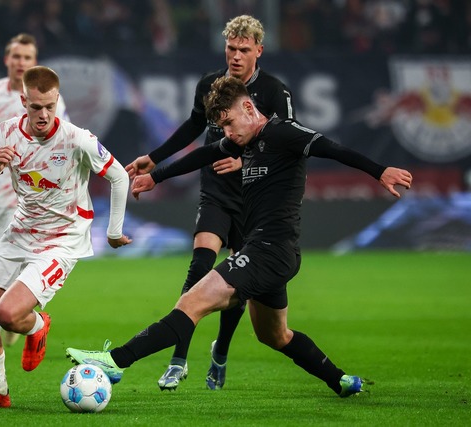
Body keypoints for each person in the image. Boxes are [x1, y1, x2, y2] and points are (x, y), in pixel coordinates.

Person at [66, 75, 413, 398]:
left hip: (270, 250)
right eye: (222, 127)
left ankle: (114, 362)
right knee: (275, 335)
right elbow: (203, 153)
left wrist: (379, 171)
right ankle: (339, 380)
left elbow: (333, 149)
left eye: (229, 123)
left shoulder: (283, 133)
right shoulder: (244, 140)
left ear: (248, 107)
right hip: (268, 252)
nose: (227, 133)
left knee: (190, 303)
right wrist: (157, 176)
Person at [125, 15, 295, 391]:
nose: (235, 56)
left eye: (243, 50)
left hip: (253, 195)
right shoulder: (211, 85)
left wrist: (246, 159)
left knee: (237, 281)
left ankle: (220, 352)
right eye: (231, 48)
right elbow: (193, 125)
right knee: (200, 263)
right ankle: (178, 359)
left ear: (258, 52)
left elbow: (288, 149)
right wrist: (155, 158)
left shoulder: (275, 92)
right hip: (216, 188)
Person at [0, 66, 131, 409]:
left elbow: (118, 176)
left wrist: (113, 231)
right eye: (36, 106)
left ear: (58, 100)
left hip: (62, 239)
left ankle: (37, 324)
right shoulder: (4, 133)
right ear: (23, 100)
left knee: (8, 314)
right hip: (21, 230)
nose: (43, 115)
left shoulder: (76, 138)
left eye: (49, 107)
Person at [0, 33, 69, 359]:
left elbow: (66, 139)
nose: (21, 63)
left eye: (28, 57)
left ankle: (3, 329)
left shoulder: (46, 98)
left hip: (26, 198)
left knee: (2, 271)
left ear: (35, 63)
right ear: (7, 59)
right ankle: (11, 318)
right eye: (16, 56)